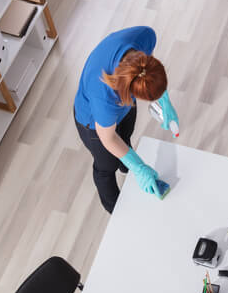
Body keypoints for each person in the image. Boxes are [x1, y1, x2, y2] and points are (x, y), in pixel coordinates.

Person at [74, 26, 179, 213]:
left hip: (121, 106)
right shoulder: (103, 94)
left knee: (126, 135)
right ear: (129, 91)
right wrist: (139, 167)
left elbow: (149, 66)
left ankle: (126, 166)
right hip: (93, 122)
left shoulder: (144, 37)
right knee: (106, 165)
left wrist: (164, 100)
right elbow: (108, 138)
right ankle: (116, 211)